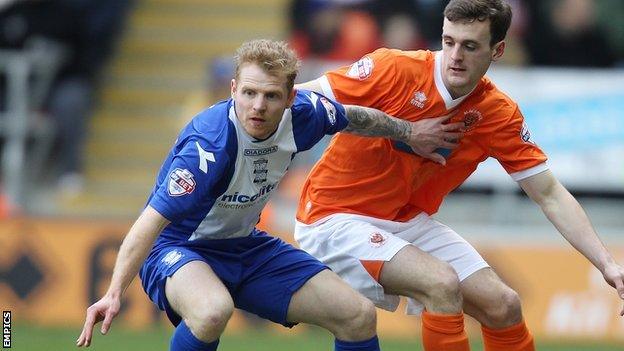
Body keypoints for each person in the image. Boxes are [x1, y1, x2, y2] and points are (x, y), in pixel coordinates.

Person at [75, 39, 458, 351]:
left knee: (356, 314)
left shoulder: (306, 115)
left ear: (291, 97)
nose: (258, 106)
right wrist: (113, 292)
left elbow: (356, 117)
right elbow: (151, 222)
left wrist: (409, 133)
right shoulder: (209, 145)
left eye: (271, 96)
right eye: (249, 93)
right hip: (179, 246)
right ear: (233, 90)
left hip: (245, 245)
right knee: (212, 311)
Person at [293, 1, 624, 350]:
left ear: (497, 51)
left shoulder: (496, 112)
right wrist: (404, 130)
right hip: (333, 216)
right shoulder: (394, 68)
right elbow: (303, 101)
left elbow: (549, 194)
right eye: (448, 41)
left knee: (503, 305)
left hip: (405, 220)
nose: (455, 56)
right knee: (441, 283)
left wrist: (607, 263)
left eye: (469, 46)